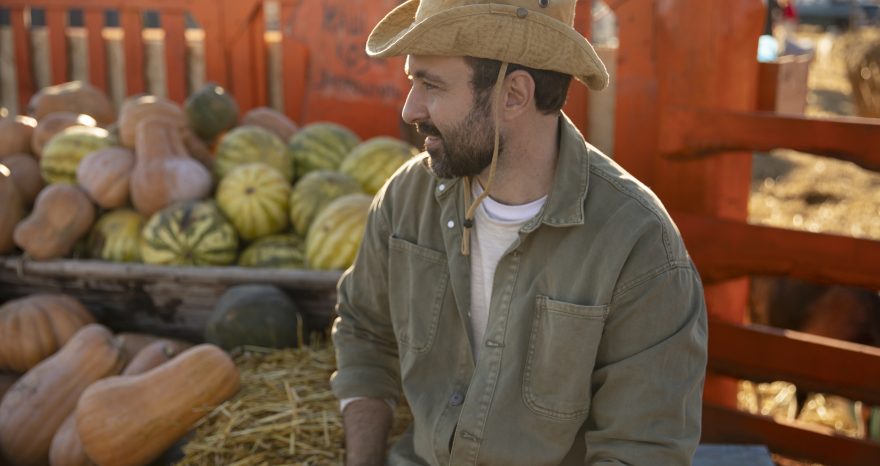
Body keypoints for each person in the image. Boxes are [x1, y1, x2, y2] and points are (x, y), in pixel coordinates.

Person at [330, 0, 708, 465]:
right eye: (413, 82)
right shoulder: (406, 199)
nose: (410, 109)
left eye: (430, 84)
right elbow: (365, 333)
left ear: (514, 94)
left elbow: (642, 450)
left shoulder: (638, 246)